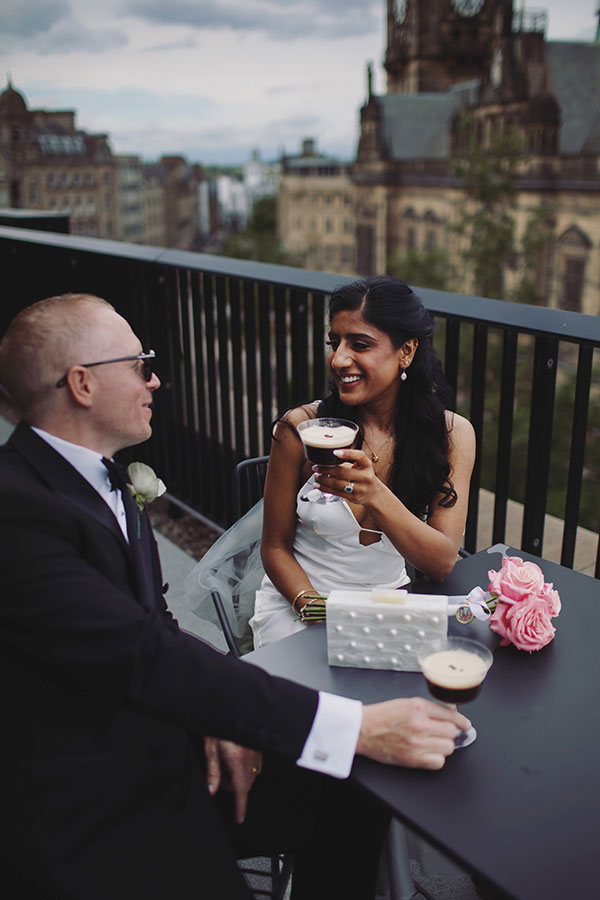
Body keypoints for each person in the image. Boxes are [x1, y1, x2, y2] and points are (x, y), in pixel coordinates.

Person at [0, 292, 470, 900]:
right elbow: (144, 654)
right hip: (94, 800)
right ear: (82, 384)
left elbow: (156, 630)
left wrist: (216, 711)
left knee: (354, 796)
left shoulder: (98, 482)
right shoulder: (19, 513)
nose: (155, 379)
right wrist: (353, 726)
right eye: (140, 365)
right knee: (347, 770)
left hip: (152, 737)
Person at [250, 275, 476, 648]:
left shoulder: (452, 436)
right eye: (334, 342)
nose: (338, 359)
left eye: (359, 344)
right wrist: (316, 612)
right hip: (301, 605)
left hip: (387, 607)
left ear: (406, 351)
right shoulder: (301, 428)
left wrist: (375, 495)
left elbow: (440, 564)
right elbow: (274, 548)